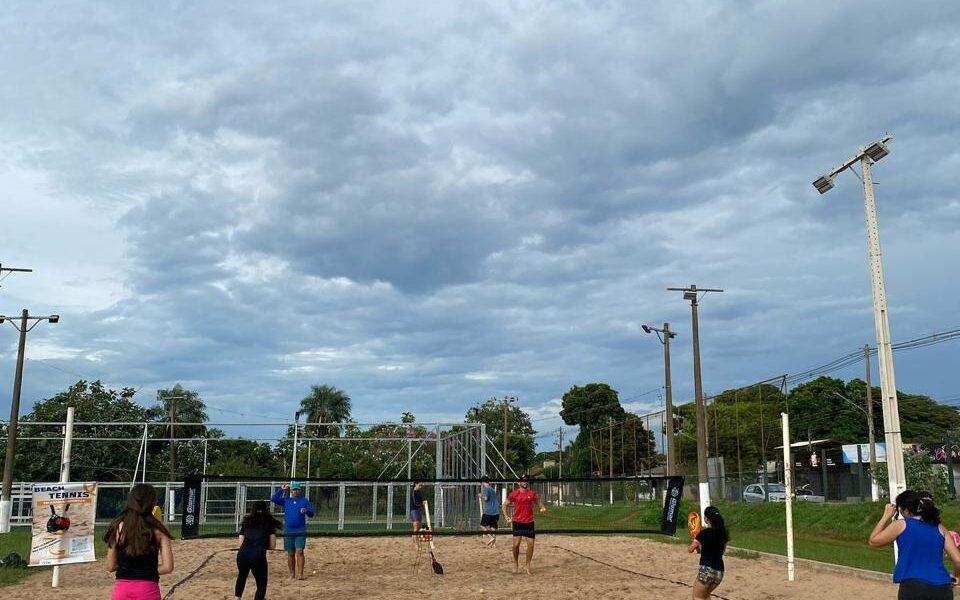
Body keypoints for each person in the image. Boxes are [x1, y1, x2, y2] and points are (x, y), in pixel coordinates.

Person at [869, 489, 960, 600]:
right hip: (943, 587)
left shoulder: (901, 525)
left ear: (905, 510)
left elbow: (873, 541)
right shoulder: (940, 528)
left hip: (914, 586)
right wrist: (956, 576)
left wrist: (886, 516)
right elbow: (958, 560)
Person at [104, 483, 174, 600]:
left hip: (122, 590)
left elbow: (111, 566)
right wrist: (144, 571)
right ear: (152, 503)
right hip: (148, 589)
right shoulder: (160, 529)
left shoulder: (118, 527)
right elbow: (168, 567)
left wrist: (129, 570)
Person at [235, 500, 281, 600]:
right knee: (261, 584)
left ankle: (237, 598)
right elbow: (272, 546)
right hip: (257, 555)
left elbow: (240, 543)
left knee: (242, 576)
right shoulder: (268, 522)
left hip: (242, 554)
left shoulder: (247, 521)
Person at [271, 481, 315, 580]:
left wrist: (306, 511)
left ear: (300, 490)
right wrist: (282, 489)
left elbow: (312, 513)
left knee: (300, 551)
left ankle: (300, 574)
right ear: (291, 491)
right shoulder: (286, 500)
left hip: (300, 530)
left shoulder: (304, 501)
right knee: (290, 553)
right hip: (288, 530)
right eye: (294, 489)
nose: (295, 491)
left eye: (297, 489)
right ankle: (292, 574)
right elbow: (274, 499)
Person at [503, 474, 546, 574]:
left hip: (529, 522)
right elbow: (504, 505)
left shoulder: (532, 493)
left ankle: (527, 566)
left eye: (526, 480)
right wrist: (506, 516)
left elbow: (538, 502)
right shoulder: (515, 494)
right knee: (515, 545)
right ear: (519, 483)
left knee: (531, 545)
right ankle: (515, 563)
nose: (525, 482)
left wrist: (542, 507)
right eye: (523, 480)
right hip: (518, 522)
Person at [688, 506, 729, 600]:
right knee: (705, 596)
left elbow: (690, 549)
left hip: (707, 570)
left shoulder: (703, 533)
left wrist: (695, 542)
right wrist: (700, 549)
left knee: (697, 597)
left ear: (706, 519)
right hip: (719, 572)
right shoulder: (723, 534)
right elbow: (720, 552)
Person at [478, 476, 500, 546]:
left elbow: (486, 498)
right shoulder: (492, 489)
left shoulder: (486, 489)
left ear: (482, 482)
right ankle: (494, 544)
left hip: (489, 511)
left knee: (482, 525)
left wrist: (480, 496)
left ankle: (491, 537)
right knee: (493, 528)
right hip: (496, 511)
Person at [410, 480, 425, 547]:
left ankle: (414, 541)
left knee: (418, 528)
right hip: (414, 511)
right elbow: (415, 503)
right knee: (416, 527)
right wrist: (421, 504)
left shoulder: (419, 492)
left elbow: (421, 501)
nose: (420, 487)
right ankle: (416, 544)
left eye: (421, 485)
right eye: (420, 485)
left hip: (419, 511)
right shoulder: (413, 492)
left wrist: (423, 507)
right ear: (416, 484)